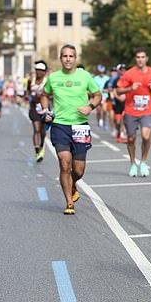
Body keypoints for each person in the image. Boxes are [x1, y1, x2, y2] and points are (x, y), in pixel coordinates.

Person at [41, 44, 102, 215]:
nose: (68, 59)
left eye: (71, 56)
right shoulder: (53, 78)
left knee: (78, 170)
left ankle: (72, 183)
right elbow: (44, 95)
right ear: (60, 58)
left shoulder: (84, 76)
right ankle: (69, 203)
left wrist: (90, 107)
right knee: (64, 162)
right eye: (65, 56)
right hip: (60, 125)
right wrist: (46, 110)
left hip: (80, 126)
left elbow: (98, 95)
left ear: (75, 59)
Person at [116, 48, 151, 177]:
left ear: (147, 58)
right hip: (131, 110)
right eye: (138, 57)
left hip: (147, 109)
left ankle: (143, 161)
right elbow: (118, 91)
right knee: (131, 138)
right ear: (135, 59)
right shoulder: (129, 74)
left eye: (142, 57)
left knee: (146, 136)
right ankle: (133, 163)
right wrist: (130, 88)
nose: (140, 59)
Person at [28, 61, 49, 162]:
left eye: (42, 71)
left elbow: (51, 94)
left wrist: (43, 97)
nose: (39, 73)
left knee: (42, 131)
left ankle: (41, 145)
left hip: (44, 108)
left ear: (45, 72)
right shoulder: (30, 81)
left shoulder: (47, 81)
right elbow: (28, 92)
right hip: (34, 108)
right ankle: (37, 150)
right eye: (38, 71)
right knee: (36, 129)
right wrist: (32, 97)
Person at [92, 65, 110, 129]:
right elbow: (93, 88)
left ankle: (105, 123)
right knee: (99, 111)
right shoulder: (95, 78)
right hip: (98, 96)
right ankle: (98, 123)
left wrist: (107, 90)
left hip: (105, 96)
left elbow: (109, 87)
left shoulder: (107, 78)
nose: (101, 73)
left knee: (105, 111)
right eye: (100, 72)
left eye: (102, 72)